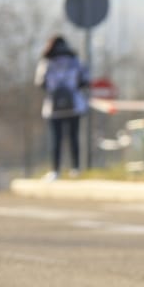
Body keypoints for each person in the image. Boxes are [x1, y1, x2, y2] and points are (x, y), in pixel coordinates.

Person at [35, 34, 90, 180]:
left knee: (56, 139)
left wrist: (55, 89)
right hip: (74, 105)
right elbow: (84, 80)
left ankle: (55, 171)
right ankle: (75, 168)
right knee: (74, 138)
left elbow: (40, 82)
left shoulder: (46, 62)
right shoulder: (74, 60)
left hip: (54, 107)